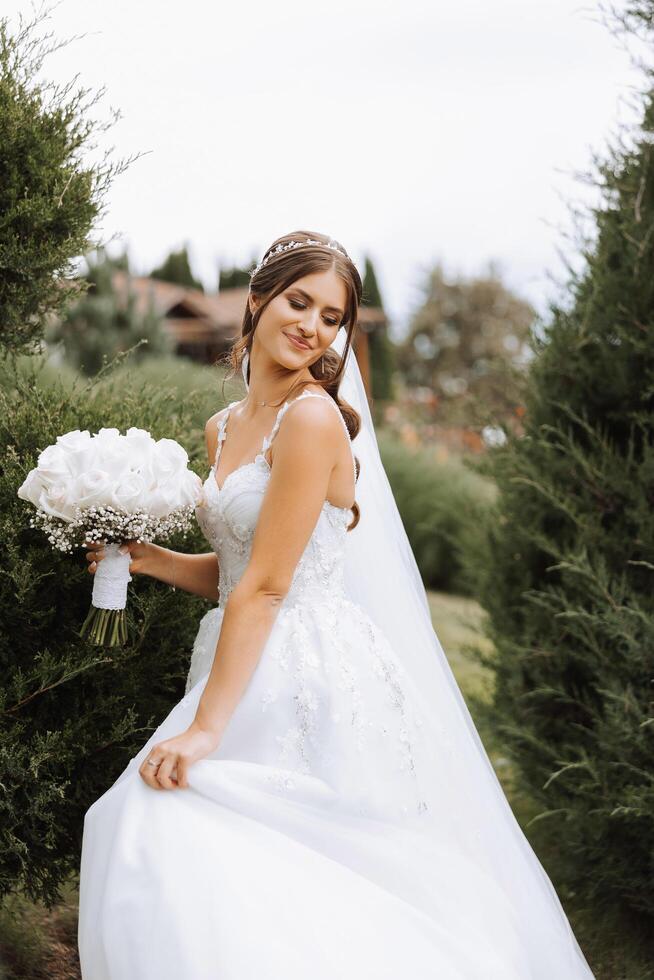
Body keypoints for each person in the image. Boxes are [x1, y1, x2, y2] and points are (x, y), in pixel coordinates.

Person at [77, 231, 596, 978]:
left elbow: (271, 584)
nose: (313, 327)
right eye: (299, 302)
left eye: (332, 317)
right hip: (238, 650)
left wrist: (205, 728)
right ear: (257, 300)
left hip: (299, 669)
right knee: (227, 866)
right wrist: (152, 560)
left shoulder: (313, 418)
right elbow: (237, 571)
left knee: (213, 841)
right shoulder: (222, 428)